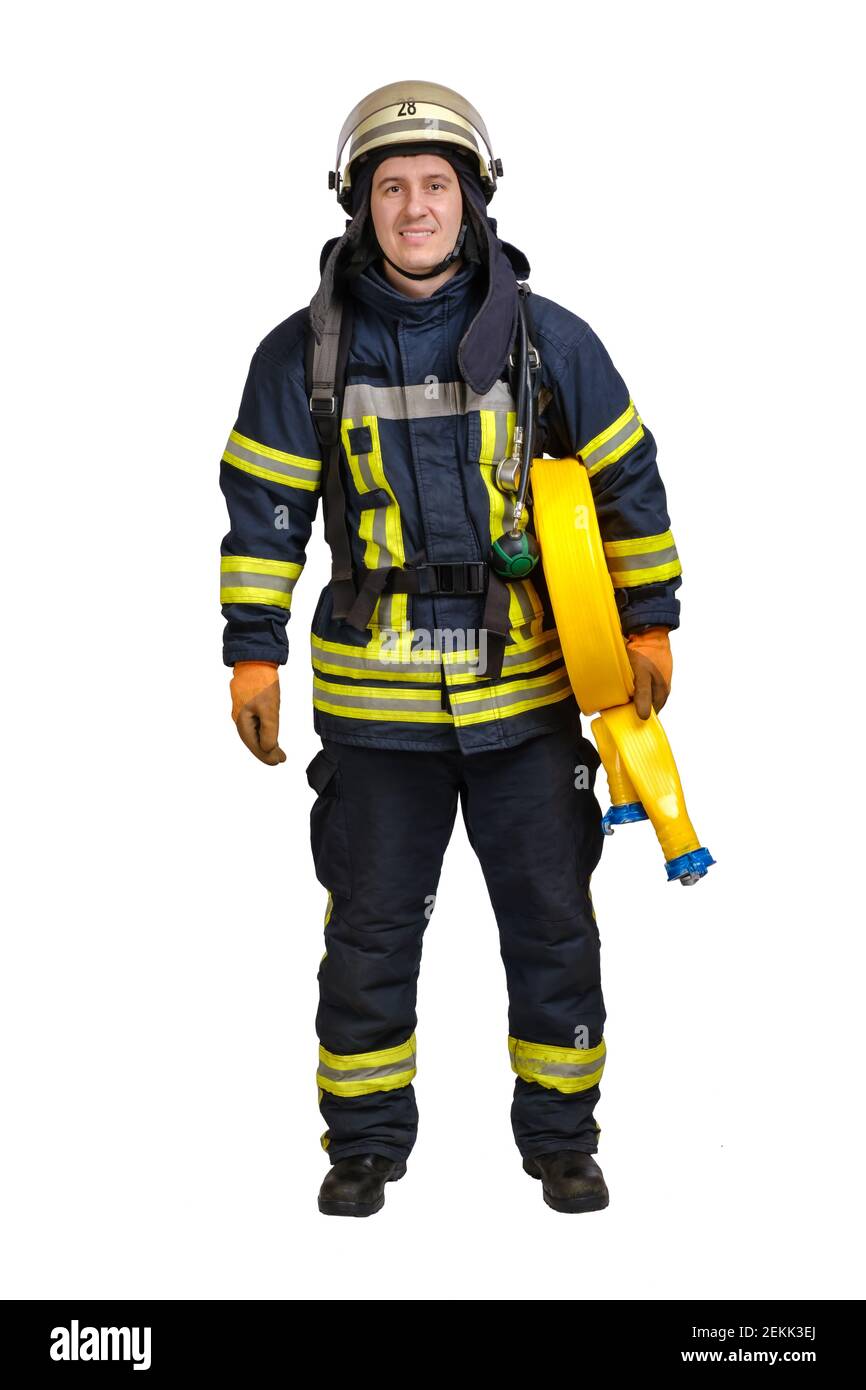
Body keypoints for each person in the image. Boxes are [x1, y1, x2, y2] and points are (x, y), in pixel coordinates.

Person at [219, 82, 681, 1216]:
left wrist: (648, 619)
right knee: (368, 929)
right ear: (356, 205)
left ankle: (561, 1137)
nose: (414, 208)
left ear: (470, 201)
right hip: (376, 712)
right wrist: (252, 649)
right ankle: (363, 1144)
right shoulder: (300, 358)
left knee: (552, 919)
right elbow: (262, 511)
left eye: (434, 185)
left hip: (526, 696)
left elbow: (625, 483)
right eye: (392, 188)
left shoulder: (547, 340)